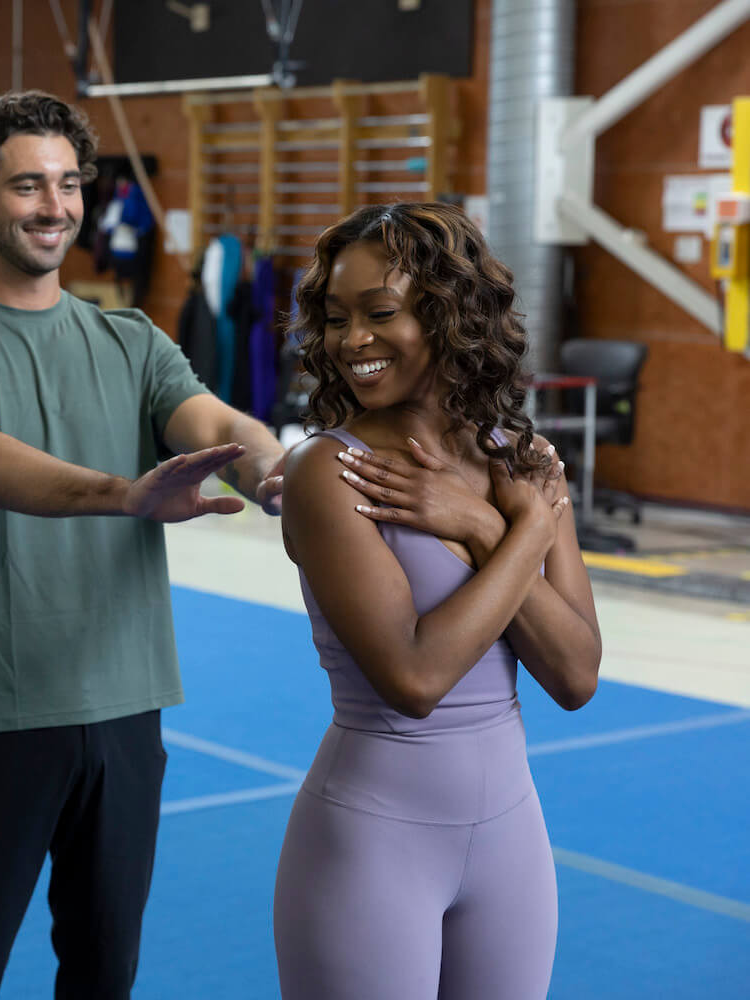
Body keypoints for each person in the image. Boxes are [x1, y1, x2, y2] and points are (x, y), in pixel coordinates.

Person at [0, 90, 287, 999]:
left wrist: (277, 474)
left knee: (105, 973)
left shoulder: (132, 338)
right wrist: (125, 495)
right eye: (27, 186)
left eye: (68, 183)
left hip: (126, 708)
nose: (55, 206)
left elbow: (214, 420)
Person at [274, 202, 602, 999]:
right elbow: (415, 679)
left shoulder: (515, 458)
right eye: (337, 316)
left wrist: (481, 526)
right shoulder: (332, 471)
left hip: (512, 839)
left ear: (450, 314)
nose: (353, 339)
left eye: (380, 313)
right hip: (373, 843)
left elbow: (576, 675)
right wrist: (521, 530)